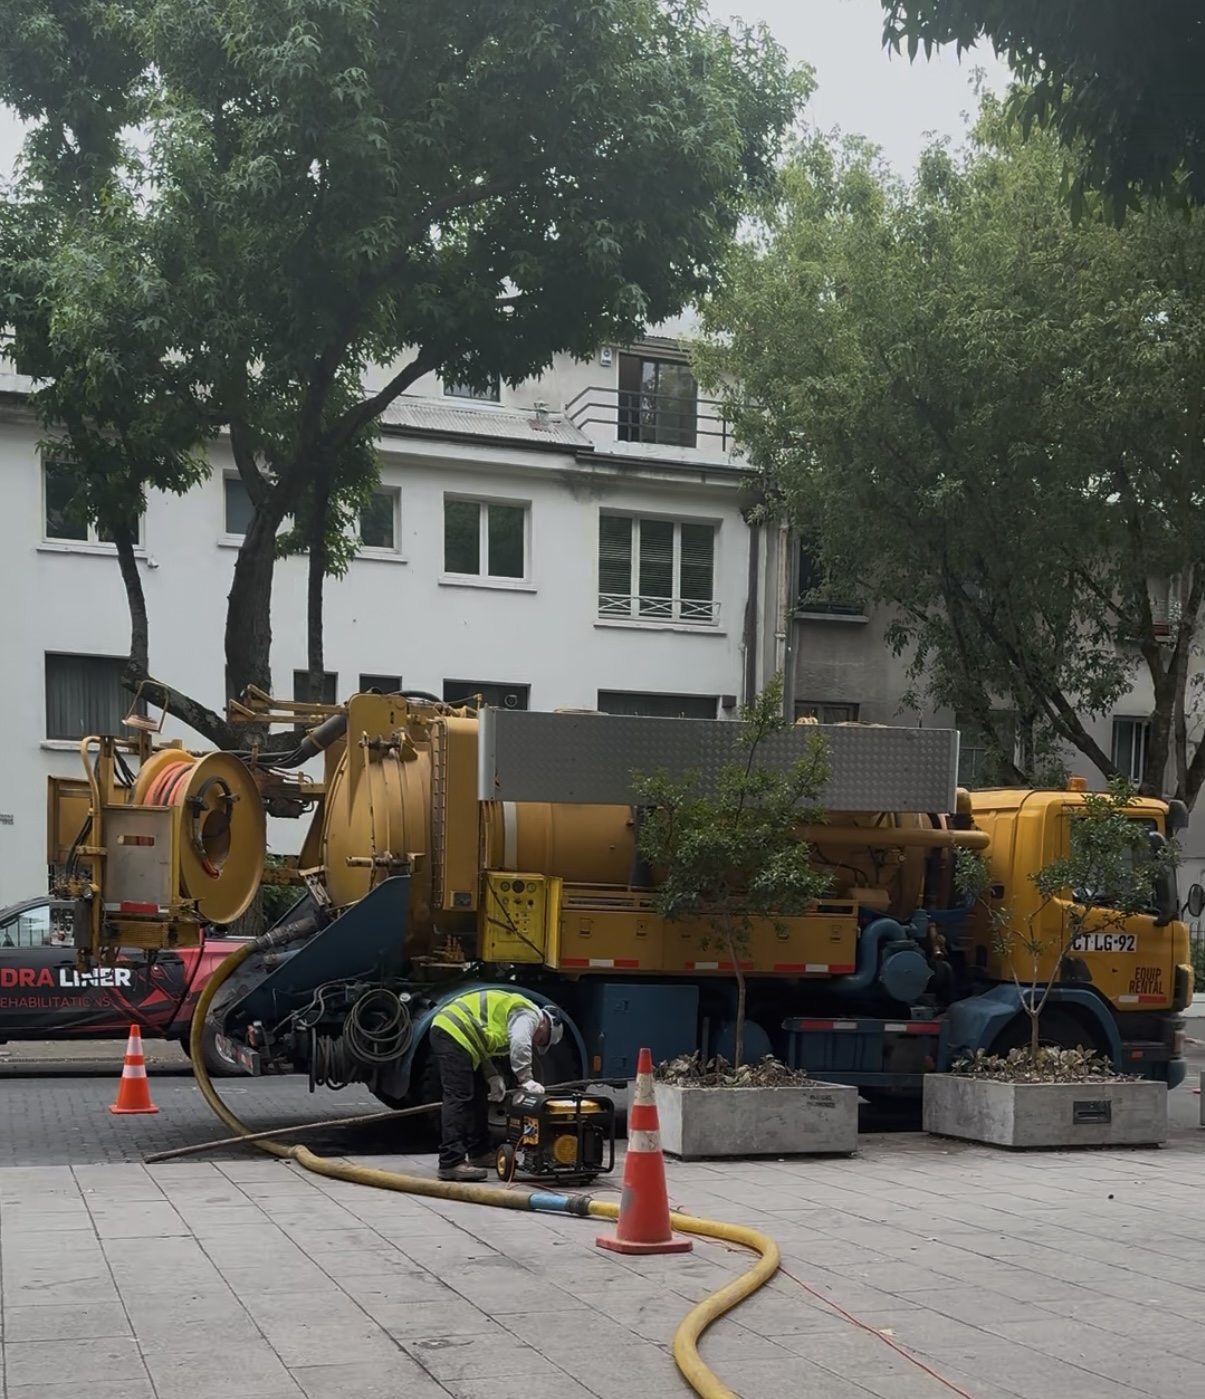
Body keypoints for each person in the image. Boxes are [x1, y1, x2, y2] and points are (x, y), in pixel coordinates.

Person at [429, 988, 564, 1181]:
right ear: (545, 1024)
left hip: (460, 1035)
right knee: (459, 1097)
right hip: (453, 1031)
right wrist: (526, 1079)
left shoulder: (518, 1014)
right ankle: (450, 1162)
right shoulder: (530, 1014)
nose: (536, 1042)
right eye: (541, 1039)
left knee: (478, 1097)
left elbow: (481, 1046)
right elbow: (520, 1043)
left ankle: (479, 1153)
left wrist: (492, 1076)